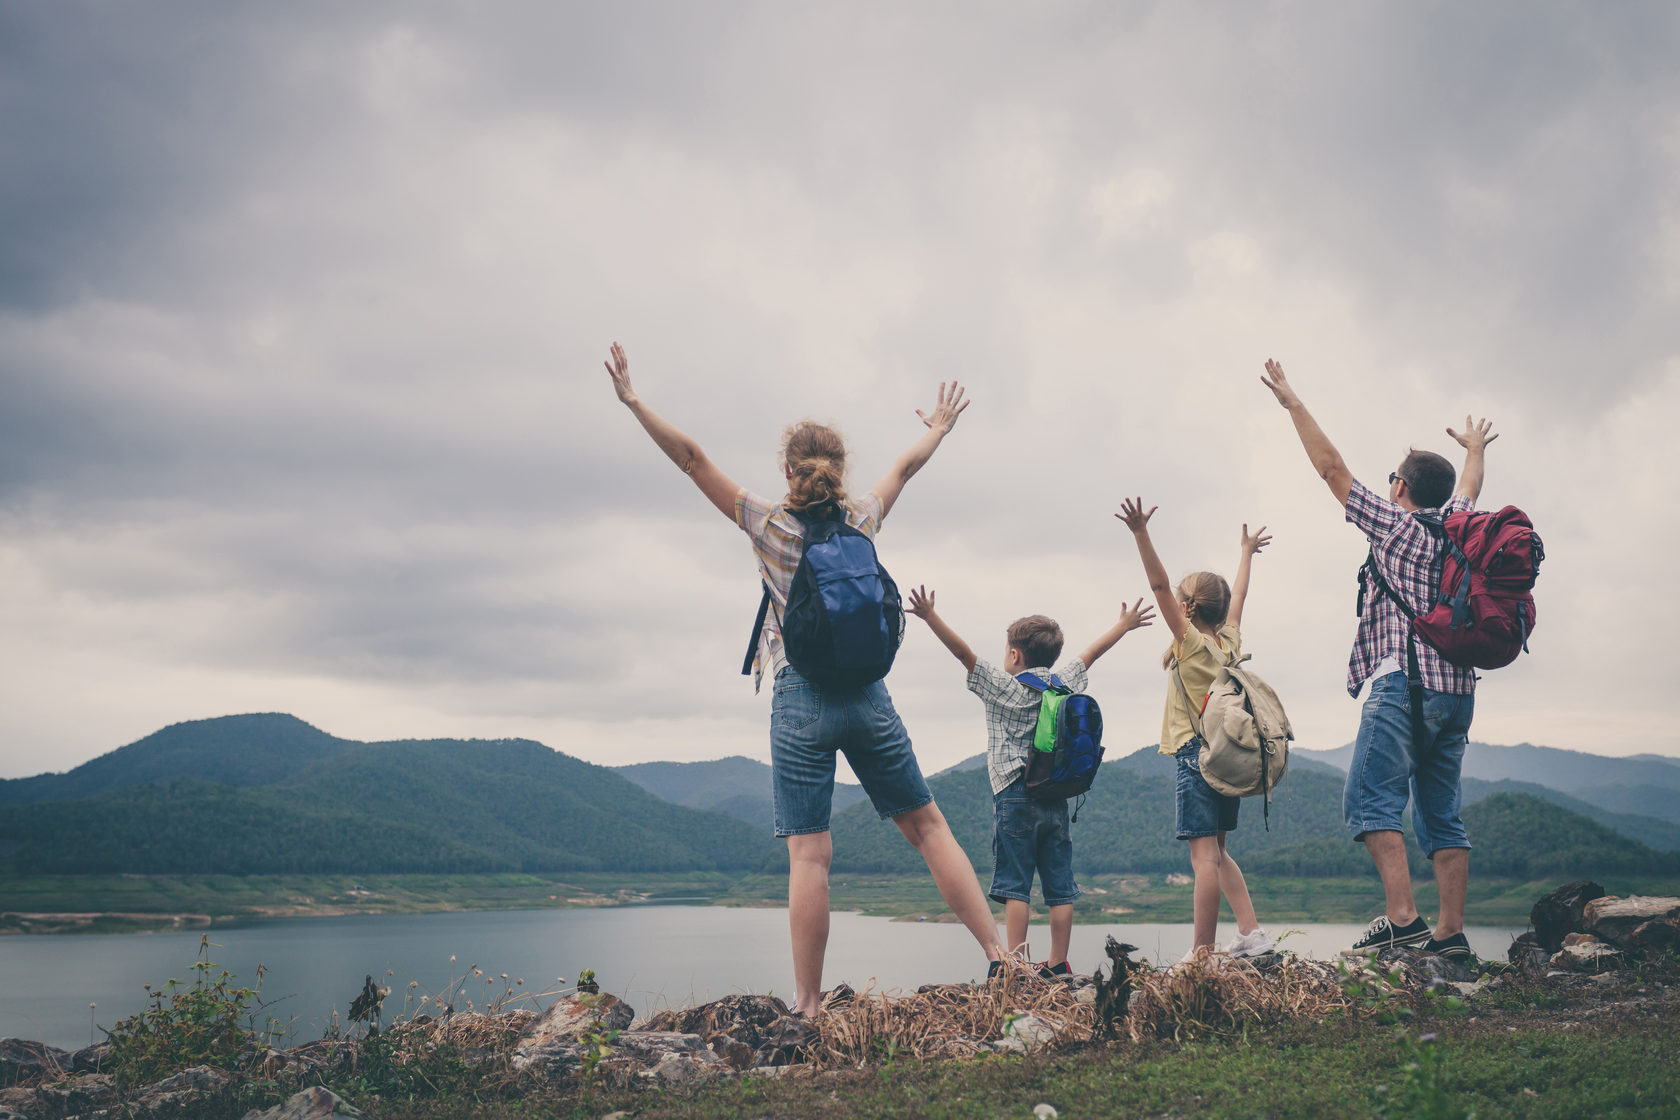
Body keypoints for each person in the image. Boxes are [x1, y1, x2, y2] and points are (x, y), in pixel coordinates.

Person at [602, 341, 1003, 1015]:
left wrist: (634, 401)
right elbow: (905, 467)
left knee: (810, 855)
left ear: (788, 470)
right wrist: (938, 427)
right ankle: (1001, 958)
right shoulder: (862, 519)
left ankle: (810, 1006)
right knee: (930, 827)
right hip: (869, 696)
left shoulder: (769, 524)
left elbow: (693, 459)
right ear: (840, 471)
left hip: (798, 697)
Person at [1259, 358, 1496, 962]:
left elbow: (1331, 469)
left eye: (1393, 477)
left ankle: (1403, 920)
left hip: (1403, 687)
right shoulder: (1458, 526)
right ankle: (1451, 934)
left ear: (1400, 486)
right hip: (1458, 694)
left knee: (1369, 802)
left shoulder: (1397, 527)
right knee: (1442, 813)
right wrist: (1474, 448)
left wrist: (1292, 403)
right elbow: (1469, 488)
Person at [905, 587, 1155, 976]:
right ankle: (1058, 963)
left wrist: (930, 616)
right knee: (1060, 887)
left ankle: (1016, 963)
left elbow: (964, 655)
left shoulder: (1004, 688)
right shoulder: (1062, 682)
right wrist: (1122, 626)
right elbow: (1090, 655)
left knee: (1015, 885)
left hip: (1013, 797)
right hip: (1056, 795)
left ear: (1014, 655)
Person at [1116, 497, 1276, 962]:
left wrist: (1140, 533)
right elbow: (1240, 598)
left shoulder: (1188, 642)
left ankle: (1201, 955)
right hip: (1227, 754)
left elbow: (1158, 583)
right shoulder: (1228, 640)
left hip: (1196, 754)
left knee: (1203, 859)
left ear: (1186, 608)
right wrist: (1245, 553)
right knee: (1220, 854)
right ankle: (1250, 933)